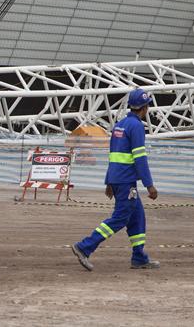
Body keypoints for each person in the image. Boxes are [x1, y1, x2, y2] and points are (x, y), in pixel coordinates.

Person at [71, 88, 160, 271]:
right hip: (126, 181)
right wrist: (149, 185)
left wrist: (109, 181)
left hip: (119, 179)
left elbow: (113, 155)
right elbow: (140, 158)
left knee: (137, 217)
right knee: (120, 218)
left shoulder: (120, 125)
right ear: (144, 108)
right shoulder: (136, 127)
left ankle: (139, 257)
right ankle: (84, 247)